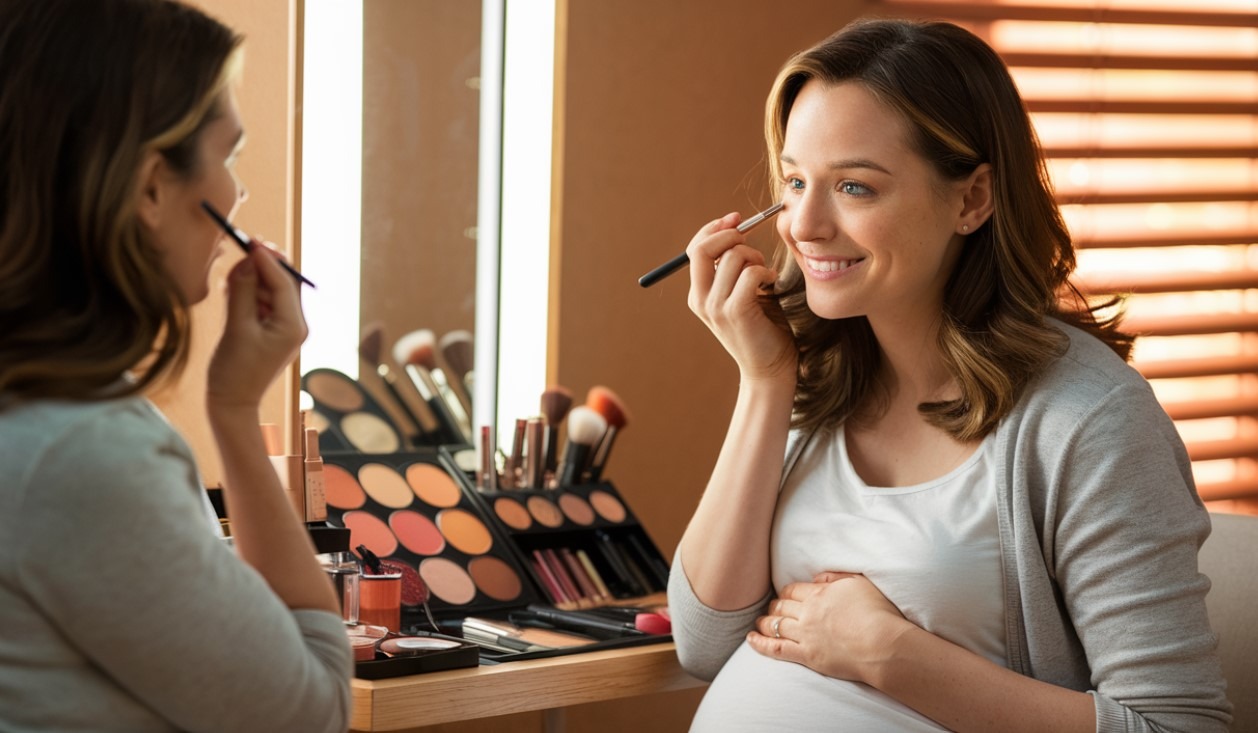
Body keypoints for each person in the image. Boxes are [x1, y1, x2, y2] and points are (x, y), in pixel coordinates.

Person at [667, 17, 1231, 732]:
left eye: (855, 188)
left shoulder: (1090, 420)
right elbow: (706, 642)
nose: (804, 225)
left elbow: (1179, 724)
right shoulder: (821, 378)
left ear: (971, 200)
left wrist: (892, 654)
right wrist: (766, 382)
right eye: (794, 181)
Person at [0, 1, 352, 730]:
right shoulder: (82, 450)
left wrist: (231, 402)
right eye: (229, 157)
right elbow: (310, 707)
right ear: (153, 186)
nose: (236, 194)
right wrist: (235, 419)